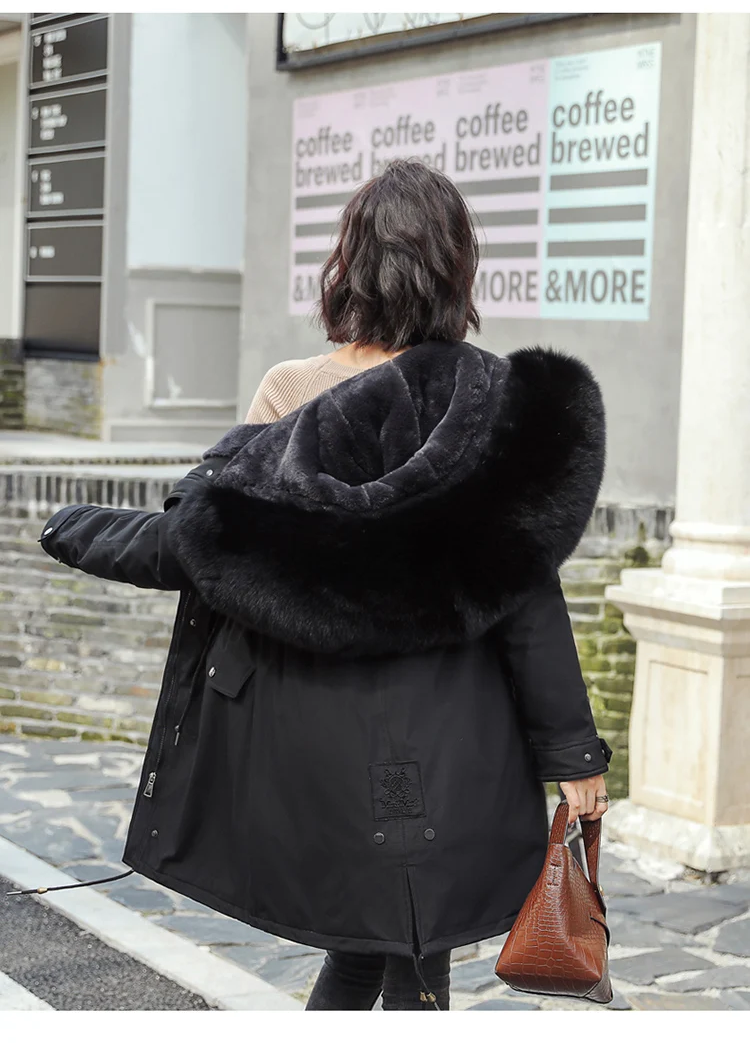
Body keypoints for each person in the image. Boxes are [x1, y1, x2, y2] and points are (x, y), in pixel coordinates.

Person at [38, 159, 611, 1012]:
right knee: (418, 961)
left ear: (352, 264)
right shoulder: (491, 398)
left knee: (359, 951)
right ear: (457, 266)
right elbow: (530, 596)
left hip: (323, 742)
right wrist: (572, 756)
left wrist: (74, 527)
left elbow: (211, 547)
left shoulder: (292, 389)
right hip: (454, 735)